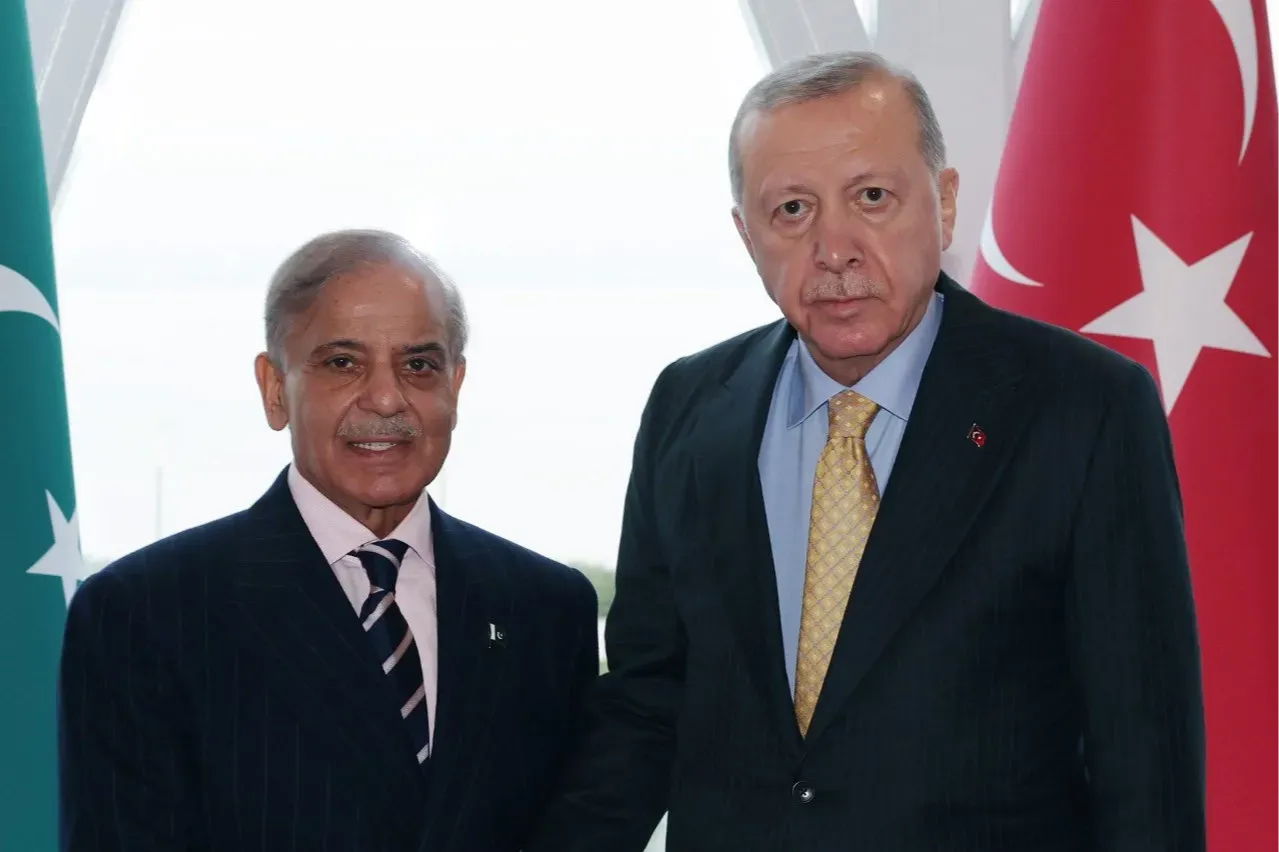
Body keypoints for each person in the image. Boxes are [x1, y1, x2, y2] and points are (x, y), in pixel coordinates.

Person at [529, 50, 1206, 851]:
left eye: (872, 198)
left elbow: (1144, 758)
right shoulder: (688, 406)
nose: (834, 249)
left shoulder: (1082, 408)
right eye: (791, 210)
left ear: (943, 203)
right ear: (746, 235)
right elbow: (647, 704)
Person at [57, 229, 600, 852]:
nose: (387, 398)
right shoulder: (146, 613)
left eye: (418, 365)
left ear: (455, 387)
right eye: (343, 363)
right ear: (274, 389)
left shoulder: (545, 608)